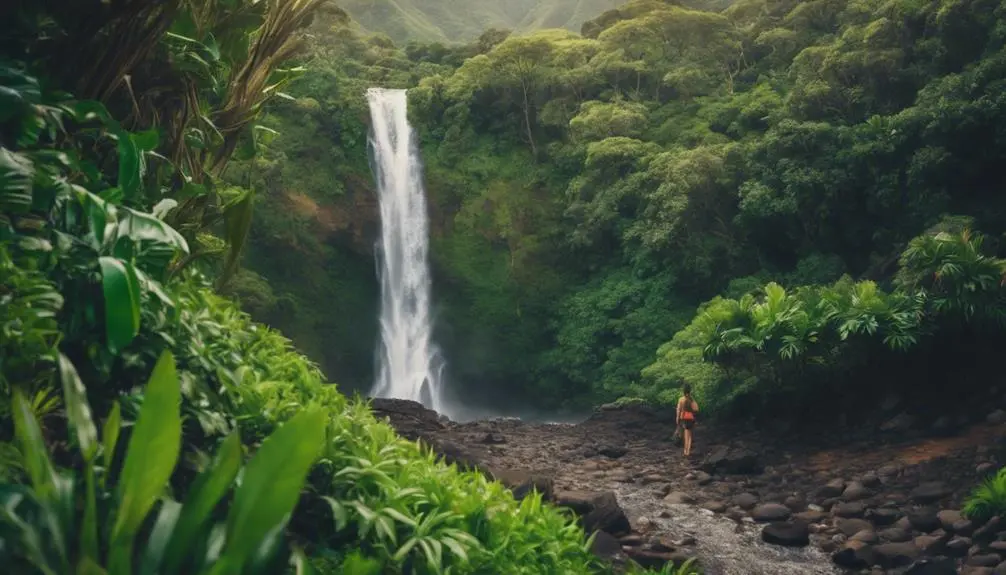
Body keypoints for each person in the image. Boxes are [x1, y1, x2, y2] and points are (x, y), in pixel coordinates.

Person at [676, 383, 699, 457]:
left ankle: (685, 451)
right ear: (690, 391)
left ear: (683, 391)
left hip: (683, 418)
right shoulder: (692, 399)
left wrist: (677, 418)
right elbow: (696, 409)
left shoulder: (681, 399)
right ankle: (688, 451)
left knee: (685, 435)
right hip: (691, 418)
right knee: (689, 435)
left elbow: (678, 410)